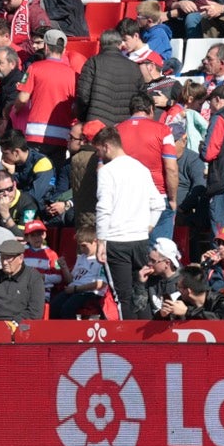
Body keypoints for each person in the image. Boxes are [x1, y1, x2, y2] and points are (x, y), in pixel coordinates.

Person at [92, 127, 164, 320]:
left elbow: (104, 208)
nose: (99, 156)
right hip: (140, 240)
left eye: (98, 151)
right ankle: (148, 345)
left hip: (116, 242)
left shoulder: (107, 171)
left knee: (123, 297)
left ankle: (129, 344)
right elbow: (158, 203)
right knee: (141, 292)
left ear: (106, 147)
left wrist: (100, 241)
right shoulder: (141, 168)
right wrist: (147, 227)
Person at [0, 238, 44, 322]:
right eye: (2, 258)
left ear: (20, 258)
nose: (4, 262)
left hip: (17, 327)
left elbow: (35, 311)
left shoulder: (33, 278)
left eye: (8, 258)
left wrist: (13, 324)